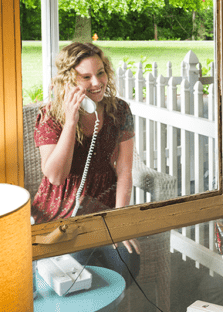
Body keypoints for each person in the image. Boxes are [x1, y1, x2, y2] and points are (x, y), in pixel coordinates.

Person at [32, 42, 141, 281]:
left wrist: (120, 219)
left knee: (128, 264)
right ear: (68, 80)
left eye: (100, 72)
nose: (97, 82)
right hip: (62, 212)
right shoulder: (50, 117)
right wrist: (71, 121)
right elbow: (55, 176)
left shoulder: (119, 110)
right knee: (77, 273)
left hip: (104, 208)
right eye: (86, 77)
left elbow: (125, 171)